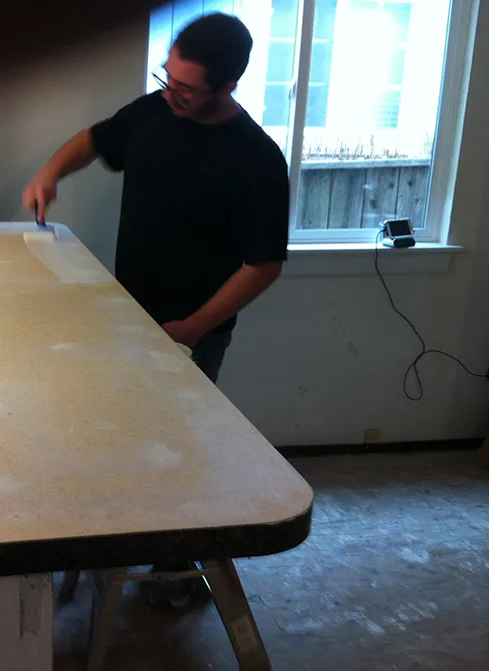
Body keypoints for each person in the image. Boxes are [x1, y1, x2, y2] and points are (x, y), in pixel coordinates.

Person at [22, 12, 289, 606]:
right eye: (167, 76)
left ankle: (172, 570)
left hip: (192, 333)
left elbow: (264, 264)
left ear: (227, 87)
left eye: (187, 87)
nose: (171, 92)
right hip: (123, 316)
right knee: (113, 437)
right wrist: (50, 172)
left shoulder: (257, 159)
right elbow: (95, 139)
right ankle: (103, 542)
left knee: (178, 449)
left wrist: (191, 328)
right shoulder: (154, 111)